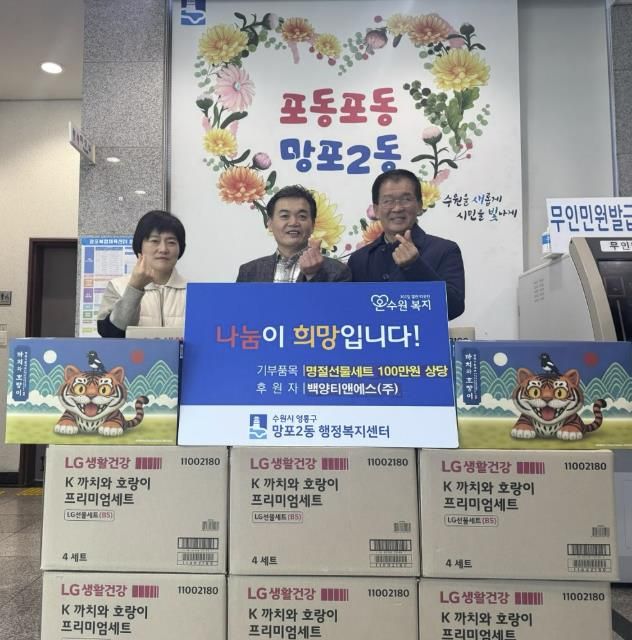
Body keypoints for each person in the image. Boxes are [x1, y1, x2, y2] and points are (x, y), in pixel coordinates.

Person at [348, 169, 465, 320]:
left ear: (419, 205)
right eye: (388, 201)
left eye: (406, 199)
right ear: (376, 210)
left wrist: (414, 266)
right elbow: (348, 310)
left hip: (423, 335)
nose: (397, 208)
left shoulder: (445, 250)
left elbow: (454, 308)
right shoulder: (359, 259)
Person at [97, 210, 187, 337]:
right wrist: (135, 288)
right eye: (154, 241)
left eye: (171, 242)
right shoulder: (117, 286)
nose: (163, 249)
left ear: (180, 249)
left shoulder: (193, 291)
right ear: (140, 246)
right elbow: (110, 334)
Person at [237, 185, 351, 282]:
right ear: (270, 223)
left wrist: (313, 276)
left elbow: (331, 302)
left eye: (302, 216)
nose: (293, 222)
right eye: (284, 216)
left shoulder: (338, 271)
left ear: (312, 225)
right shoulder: (248, 272)